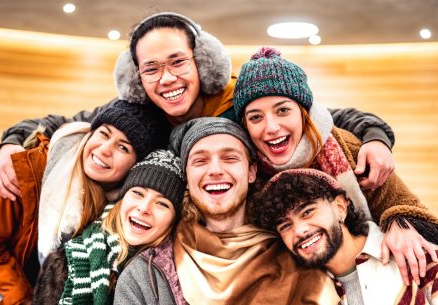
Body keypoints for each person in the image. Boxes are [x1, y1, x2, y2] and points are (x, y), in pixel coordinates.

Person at [0, 12, 395, 202]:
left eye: (177, 63)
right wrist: (12, 143)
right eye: (151, 69)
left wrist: (375, 139)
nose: (166, 79)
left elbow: (329, 117)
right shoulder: (138, 109)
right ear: (136, 78)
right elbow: (63, 122)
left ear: (202, 62)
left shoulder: (241, 98)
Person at [233, 46, 438, 285]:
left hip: (377, 275)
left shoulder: (344, 147)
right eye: (256, 117)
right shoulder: (248, 172)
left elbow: (410, 209)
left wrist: (399, 223)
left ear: (304, 113)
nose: (271, 127)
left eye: (283, 110)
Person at [115, 117, 341, 305]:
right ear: (187, 178)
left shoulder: (298, 248)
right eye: (200, 161)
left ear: (251, 171)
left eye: (230, 158)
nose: (215, 170)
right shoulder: (146, 277)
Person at [0, 100, 168, 305]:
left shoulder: (125, 211)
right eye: (104, 134)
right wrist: (22, 301)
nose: (104, 149)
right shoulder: (31, 169)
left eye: (123, 147)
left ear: (135, 166)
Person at [249, 168, 438, 305]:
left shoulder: (412, 252)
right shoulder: (302, 292)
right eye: (285, 225)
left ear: (340, 207)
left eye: (307, 212)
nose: (299, 230)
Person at [33, 149, 186, 305]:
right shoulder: (65, 262)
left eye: (162, 203)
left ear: (173, 220)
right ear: (121, 201)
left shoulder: (173, 276)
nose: (144, 208)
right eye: (138, 193)